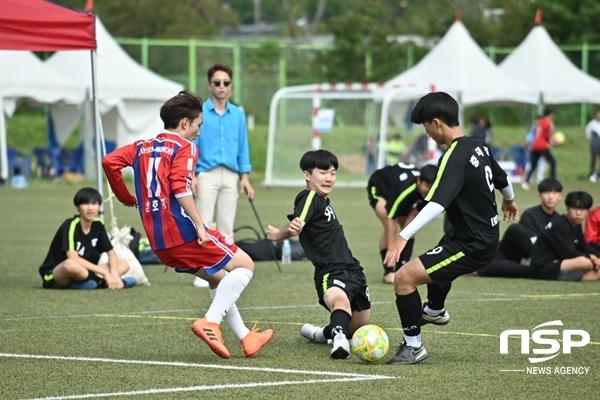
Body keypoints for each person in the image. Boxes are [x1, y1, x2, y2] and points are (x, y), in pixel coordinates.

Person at [102, 90, 273, 359]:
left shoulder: (141, 147)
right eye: (198, 125)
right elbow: (180, 188)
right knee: (246, 265)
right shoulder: (185, 147)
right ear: (185, 123)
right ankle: (211, 322)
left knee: (219, 277)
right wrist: (200, 225)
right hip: (182, 231)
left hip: (159, 242)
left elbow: (109, 161)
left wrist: (127, 198)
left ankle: (246, 338)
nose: (198, 131)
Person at [383, 92, 518, 365]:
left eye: (425, 127)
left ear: (436, 123)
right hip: (473, 235)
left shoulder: (454, 156)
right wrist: (510, 200)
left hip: (472, 244)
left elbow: (436, 204)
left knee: (404, 278)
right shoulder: (479, 146)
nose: (427, 133)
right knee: (435, 260)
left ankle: (413, 347)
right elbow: (502, 179)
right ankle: (434, 309)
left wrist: (402, 236)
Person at [266, 150, 371, 359]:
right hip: (330, 271)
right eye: (323, 172)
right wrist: (284, 232)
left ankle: (321, 333)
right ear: (307, 175)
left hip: (353, 270)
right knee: (339, 302)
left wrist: (282, 232)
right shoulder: (310, 196)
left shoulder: (322, 201)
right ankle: (339, 341)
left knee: (359, 325)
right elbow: (299, 221)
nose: (329, 178)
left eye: (333, 173)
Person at [191, 63, 254, 288]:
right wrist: (192, 174)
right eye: (217, 83)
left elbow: (243, 146)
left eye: (226, 83)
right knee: (204, 224)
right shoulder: (199, 113)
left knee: (227, 226)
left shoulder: (238, 114)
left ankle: (228, 269)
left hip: (231, 175)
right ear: (209, 85)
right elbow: (193, 144)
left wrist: (245, 176)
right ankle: (205, 272)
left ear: (231, 87)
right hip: (205, 173)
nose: (221, 87)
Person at [38, 187, 133, 290]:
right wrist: (105, 273)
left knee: (124, 263)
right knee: (71, 265)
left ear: (99, 206)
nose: (90, 208)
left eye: (94, 203)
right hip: (57, 273)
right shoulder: (70, 225)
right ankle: (99, 282)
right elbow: (72, 258)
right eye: (86, 204)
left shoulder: (98, 224)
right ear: (78, 208)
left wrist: (114, 274)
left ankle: (93, 283)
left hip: (86, 270)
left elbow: (111, 253)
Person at [476, 178, 563, 278]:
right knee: (515, 229)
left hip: (535, 261)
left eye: (554, 193)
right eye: (546, 193)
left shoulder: (559, 220)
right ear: (539, 195)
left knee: (532, 270)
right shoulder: (530, 214)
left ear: (560, 196)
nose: (550, 197)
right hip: (519, 256)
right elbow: (527, 243)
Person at [367, 163, 438, 283]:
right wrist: (392, 253)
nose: (429, 189)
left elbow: (416, 213)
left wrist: (408, 228)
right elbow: (390, 220)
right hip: (380, 189)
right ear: (419, 181)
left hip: (401, 198)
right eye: (427, 185)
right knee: (390, 223)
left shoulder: (431, 192)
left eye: (432, 186)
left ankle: (400, 269)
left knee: (410, 228)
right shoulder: (404, 189)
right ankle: (389, 271)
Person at [530, 191, 600, 281]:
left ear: (587, 212)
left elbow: (584, 247)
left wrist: (597, 255)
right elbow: (568, 253)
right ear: (567, 208)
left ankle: (579, 276)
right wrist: (591, 257)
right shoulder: (560, 224)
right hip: (544, 266)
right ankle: (571, 275)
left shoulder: (576, 225)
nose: (578, 213)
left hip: (560, 262)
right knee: (585, 262)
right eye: (574, 208)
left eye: (582, 209)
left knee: (594, 268)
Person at [522, 108, 557, 190]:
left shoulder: (539, 122)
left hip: (535, 145)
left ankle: (526, 182)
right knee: (553, 162)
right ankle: (553, 183)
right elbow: (549, 136)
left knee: (533, 165)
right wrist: (554, 143)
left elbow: (535, 134)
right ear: (551, 114)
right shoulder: (549, 123)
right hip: (542, 146)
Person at [585, 109, 600, 182]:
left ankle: (599, 175)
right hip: (595, 144)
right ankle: (592, 174)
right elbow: (588, 133)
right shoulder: (592, 124)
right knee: (594, 159)